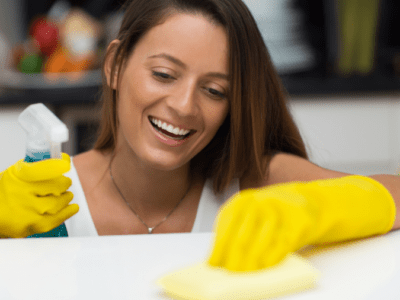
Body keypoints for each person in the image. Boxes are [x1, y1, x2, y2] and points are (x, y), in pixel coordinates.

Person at [0, 0, 399, 273]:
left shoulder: (252, 183)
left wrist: (314, 208)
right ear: (116, 65)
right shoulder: (42, 196)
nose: (185, 106)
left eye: (214, 91)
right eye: (163, 75)